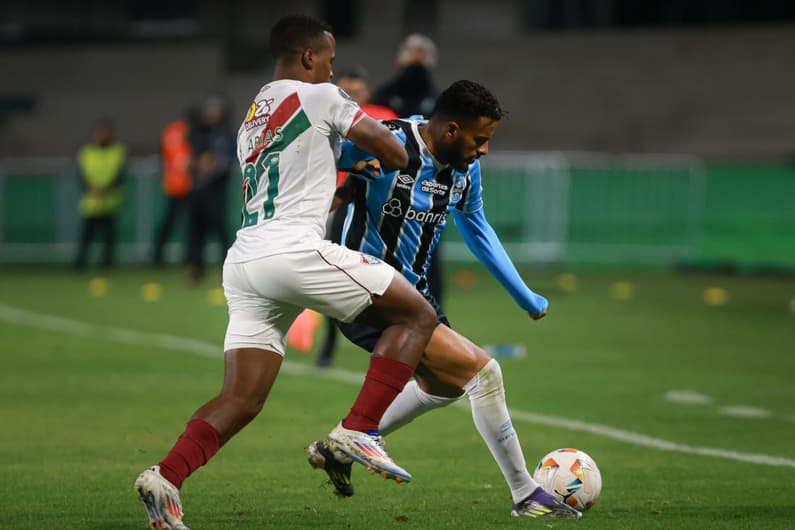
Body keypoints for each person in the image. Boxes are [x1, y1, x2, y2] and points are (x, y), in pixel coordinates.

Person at [133, 15, 436, 530]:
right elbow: (396, 151)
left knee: (242, 397)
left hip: (245, 260)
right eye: (331, 61)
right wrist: (367, 141)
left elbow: (300, 167)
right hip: (292, 252)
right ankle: (359, 430)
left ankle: (165, 478)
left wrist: (341, 164)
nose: (333, 71)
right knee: (417, 316)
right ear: (308, 58)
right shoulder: (320, 96)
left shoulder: (253, 114)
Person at [306, 80, 581, 519]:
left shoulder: (462, 168)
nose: (484, 150)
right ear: (451, 130)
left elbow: (477, 226)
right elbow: (318, 158)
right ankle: (525, 493)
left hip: (413, 298)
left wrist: (524, 295)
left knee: (444, 385)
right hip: (365, 287)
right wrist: (348, 167)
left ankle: (342, 444)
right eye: (480, 139)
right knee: (484, 374)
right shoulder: (390, 140)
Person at [313, 69, 398, 368]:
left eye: (357, 92)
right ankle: (329, 342)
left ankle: (394, 340)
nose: (353, 97)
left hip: (376, 209)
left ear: (367, 93)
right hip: (334, 204)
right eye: (346, 92)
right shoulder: (324, 115)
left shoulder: (382, 116)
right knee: (334, 276)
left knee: (391, 275)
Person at [372, 33, 446, 311]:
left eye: (420, 60)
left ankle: (433, 316)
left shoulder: (438, 99)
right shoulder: (384, 95)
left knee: (427, 255)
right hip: (385, 188)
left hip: (425, 191)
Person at [185, 96, 236, 283]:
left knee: (221, 231)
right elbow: (191, 157)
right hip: (198, 190)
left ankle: (227, 270)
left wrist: (214, 164)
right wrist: (194, 163)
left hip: (216, 192)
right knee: (195, 231)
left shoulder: (227, 134)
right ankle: (195, 269)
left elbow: (230, 160)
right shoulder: (199, 133)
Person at [73, 118, 126, 270]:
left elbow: (121, 175)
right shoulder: (86, 152)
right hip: (91, 203)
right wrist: (90, 189)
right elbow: (80, 175)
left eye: (105, 132)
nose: (102, 135)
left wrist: (106, 188)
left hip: (110, 203)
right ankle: (79, 266)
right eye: (99, 132)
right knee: (85, 238)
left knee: (109, 239)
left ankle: (107, 265)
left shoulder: (118, 151)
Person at [152, 110, 196, 266]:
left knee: (168, 223)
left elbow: (163, 155)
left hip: (172, 184)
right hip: (188, 185)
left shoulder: (170, 131)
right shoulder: (192, 133)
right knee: (190, 225)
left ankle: (156, 257)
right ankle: (189, 258)